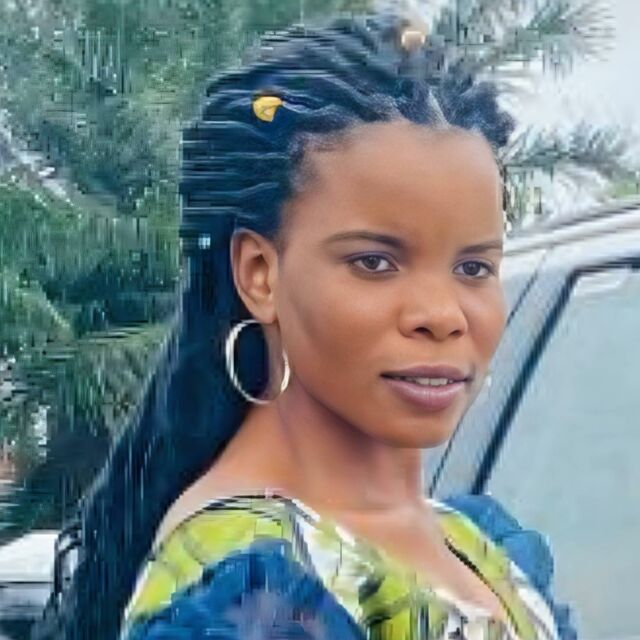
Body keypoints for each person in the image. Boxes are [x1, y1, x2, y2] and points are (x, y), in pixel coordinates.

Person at [40, 10, 577, 640]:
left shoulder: (473, 544)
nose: (442, 315)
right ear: (259, 274)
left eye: (473, 267)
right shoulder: (248, 592)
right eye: (374, 262)